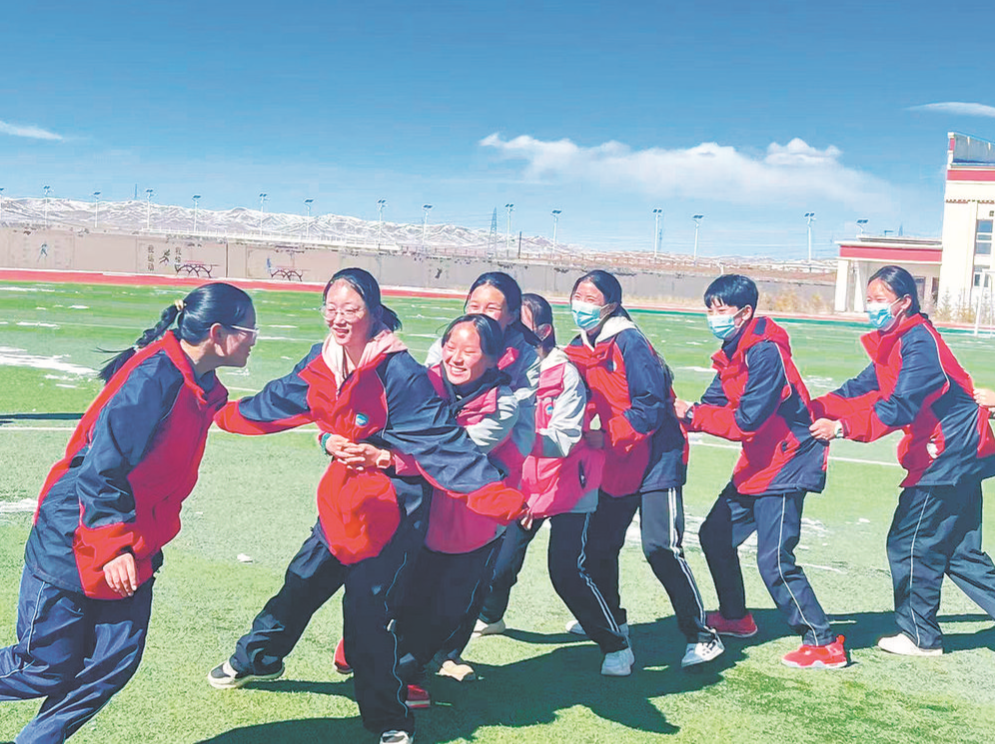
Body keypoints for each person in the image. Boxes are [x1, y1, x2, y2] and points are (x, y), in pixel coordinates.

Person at [206, 268, 525, 744]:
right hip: (343, 501)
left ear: (373, 313)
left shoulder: (401, 373)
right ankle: (257, 658)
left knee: (367, 613)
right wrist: (221, 413)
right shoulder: (322, 358)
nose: (339, 318)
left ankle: (389, 718)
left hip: (392, 510)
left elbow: (442, 443)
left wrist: (495, 496)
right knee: (301, 583)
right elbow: (281, 400)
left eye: (350, 309)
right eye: (331, 308)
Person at [0, 283, 256, 743]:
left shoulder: (201, 385)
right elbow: (102, 468)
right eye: (249, 330)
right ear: (218, 333)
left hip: (134, 542)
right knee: (43, 666)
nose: (255, 339)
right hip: (75, 533)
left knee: (112, 662)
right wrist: (112, 545)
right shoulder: (153, 378)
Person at [810, 265, 995, 657]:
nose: (872, 307)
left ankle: (919, 636)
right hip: (960, 451)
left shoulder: (918, 342)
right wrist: (811, 409)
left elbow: (900, 406)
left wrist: (841, 428)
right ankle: (921, 632)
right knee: (959, 552)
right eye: (869, 299)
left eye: (880, 300)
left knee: (909, 541)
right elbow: (859, 389)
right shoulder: (894, 342)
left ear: (905, 301)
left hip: (947, 453)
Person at [674, 274, 847, 670]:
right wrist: (681, 415)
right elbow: (712, 404)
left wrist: (693, 415)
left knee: (774, 559)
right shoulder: (733, 352)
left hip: (789, 461)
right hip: (759, 463)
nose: (714, 317)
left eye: (721, 310)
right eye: (710, 309)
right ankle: (736, 617)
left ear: (745, 312)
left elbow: (747, 420)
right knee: (716, 534)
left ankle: (822, 640)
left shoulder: (765, 352)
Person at [562, 270, 722, 672]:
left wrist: (606, 435)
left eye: (591, 298)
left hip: (656, 456)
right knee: (600, 546)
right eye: (578, 295)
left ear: (611, 306)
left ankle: (701, 635)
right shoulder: (579, 346)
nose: (581, 304)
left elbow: (650, 407)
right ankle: (612, 620)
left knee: (660, 547)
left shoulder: (629, 342)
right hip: (617, 459)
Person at [473, 294, 631, 673]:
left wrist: (515, 436)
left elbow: (564, 439)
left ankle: (616, 643)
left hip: (571, 485)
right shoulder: (506, 366)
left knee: (566, 571)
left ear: (543, 331)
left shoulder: (566, 374)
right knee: (498, 563)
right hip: (525, 484)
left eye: (520, 326)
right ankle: (492, 615)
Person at [386, 314, 528, 693]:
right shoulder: (421, 382)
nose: (456, 357)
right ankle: (382, 662)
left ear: (494, 358)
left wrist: (393, 456)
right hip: (420, 515)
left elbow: (453, 454)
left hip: (472, 524)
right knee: (399, 594)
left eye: (470, 351)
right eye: (450, 347)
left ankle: (407, 673)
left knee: (446, 607)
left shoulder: (503, 404)